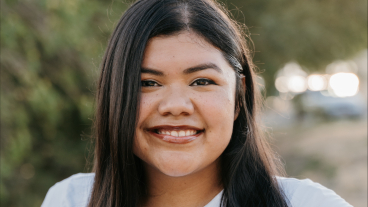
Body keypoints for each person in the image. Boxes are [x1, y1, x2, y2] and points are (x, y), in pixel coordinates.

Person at [41, 0, 352, 206]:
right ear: (114, 95)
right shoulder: (70, 200)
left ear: (238, 97)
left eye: (202, 81)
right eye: (147, 83)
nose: (176, 105)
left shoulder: (307, 203)